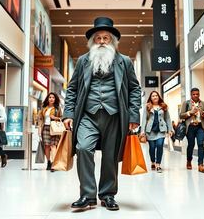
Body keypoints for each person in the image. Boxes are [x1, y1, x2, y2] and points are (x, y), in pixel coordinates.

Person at [63, 17, 141, 211]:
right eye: (98, 38)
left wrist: (133, 116)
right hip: (87, 115)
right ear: (92, 41)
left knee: (110, 156)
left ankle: (107, 195)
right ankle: (87, 195)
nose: (102, 42)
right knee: (82, 148)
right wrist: (68, 114)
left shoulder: (124, 62)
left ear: (112, 40)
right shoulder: (83, 61)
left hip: (115, 116)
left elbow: (134, 89)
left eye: (106, 38)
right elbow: (72, 89)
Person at [179, 88, 204, 173]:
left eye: (197, 94)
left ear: (199, 94)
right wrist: (190, 112)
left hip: (200, 127)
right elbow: (181, 115)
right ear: (191, 94)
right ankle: (189, 161)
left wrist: (203, 113)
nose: (196, 95)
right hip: (190, 127)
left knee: (201, 144)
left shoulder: (203, 103)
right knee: (191, 145)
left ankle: (201, 165)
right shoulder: (186, 103)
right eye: (194, 94)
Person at [142, 91, 173, 173]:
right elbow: (144, 119)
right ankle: (153, 161)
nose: (155, 97)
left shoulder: (163, 106)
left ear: (159, 97)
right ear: (150, 98)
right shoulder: (147, 107)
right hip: (150, 131)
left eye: (156, 95)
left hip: (161, 131)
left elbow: (168, 119)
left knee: (159, 145)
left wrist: (170, 129)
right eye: (153, 96)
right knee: (152, 148)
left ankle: (158, 164)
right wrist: (142, 131)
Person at [39, 92, 62, 171]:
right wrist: (39, 130)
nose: (51, 99)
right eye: (50, 97)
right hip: (45, 128)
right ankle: (48, 162)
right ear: (47, 99)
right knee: (47, 146)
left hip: (54, 128)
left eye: (53, 97)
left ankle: (54, 163)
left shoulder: (57, 108)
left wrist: (54, 117)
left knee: (53, 146)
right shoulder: (44, 108)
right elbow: (41, 119)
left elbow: (61, 118)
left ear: (55, 99)